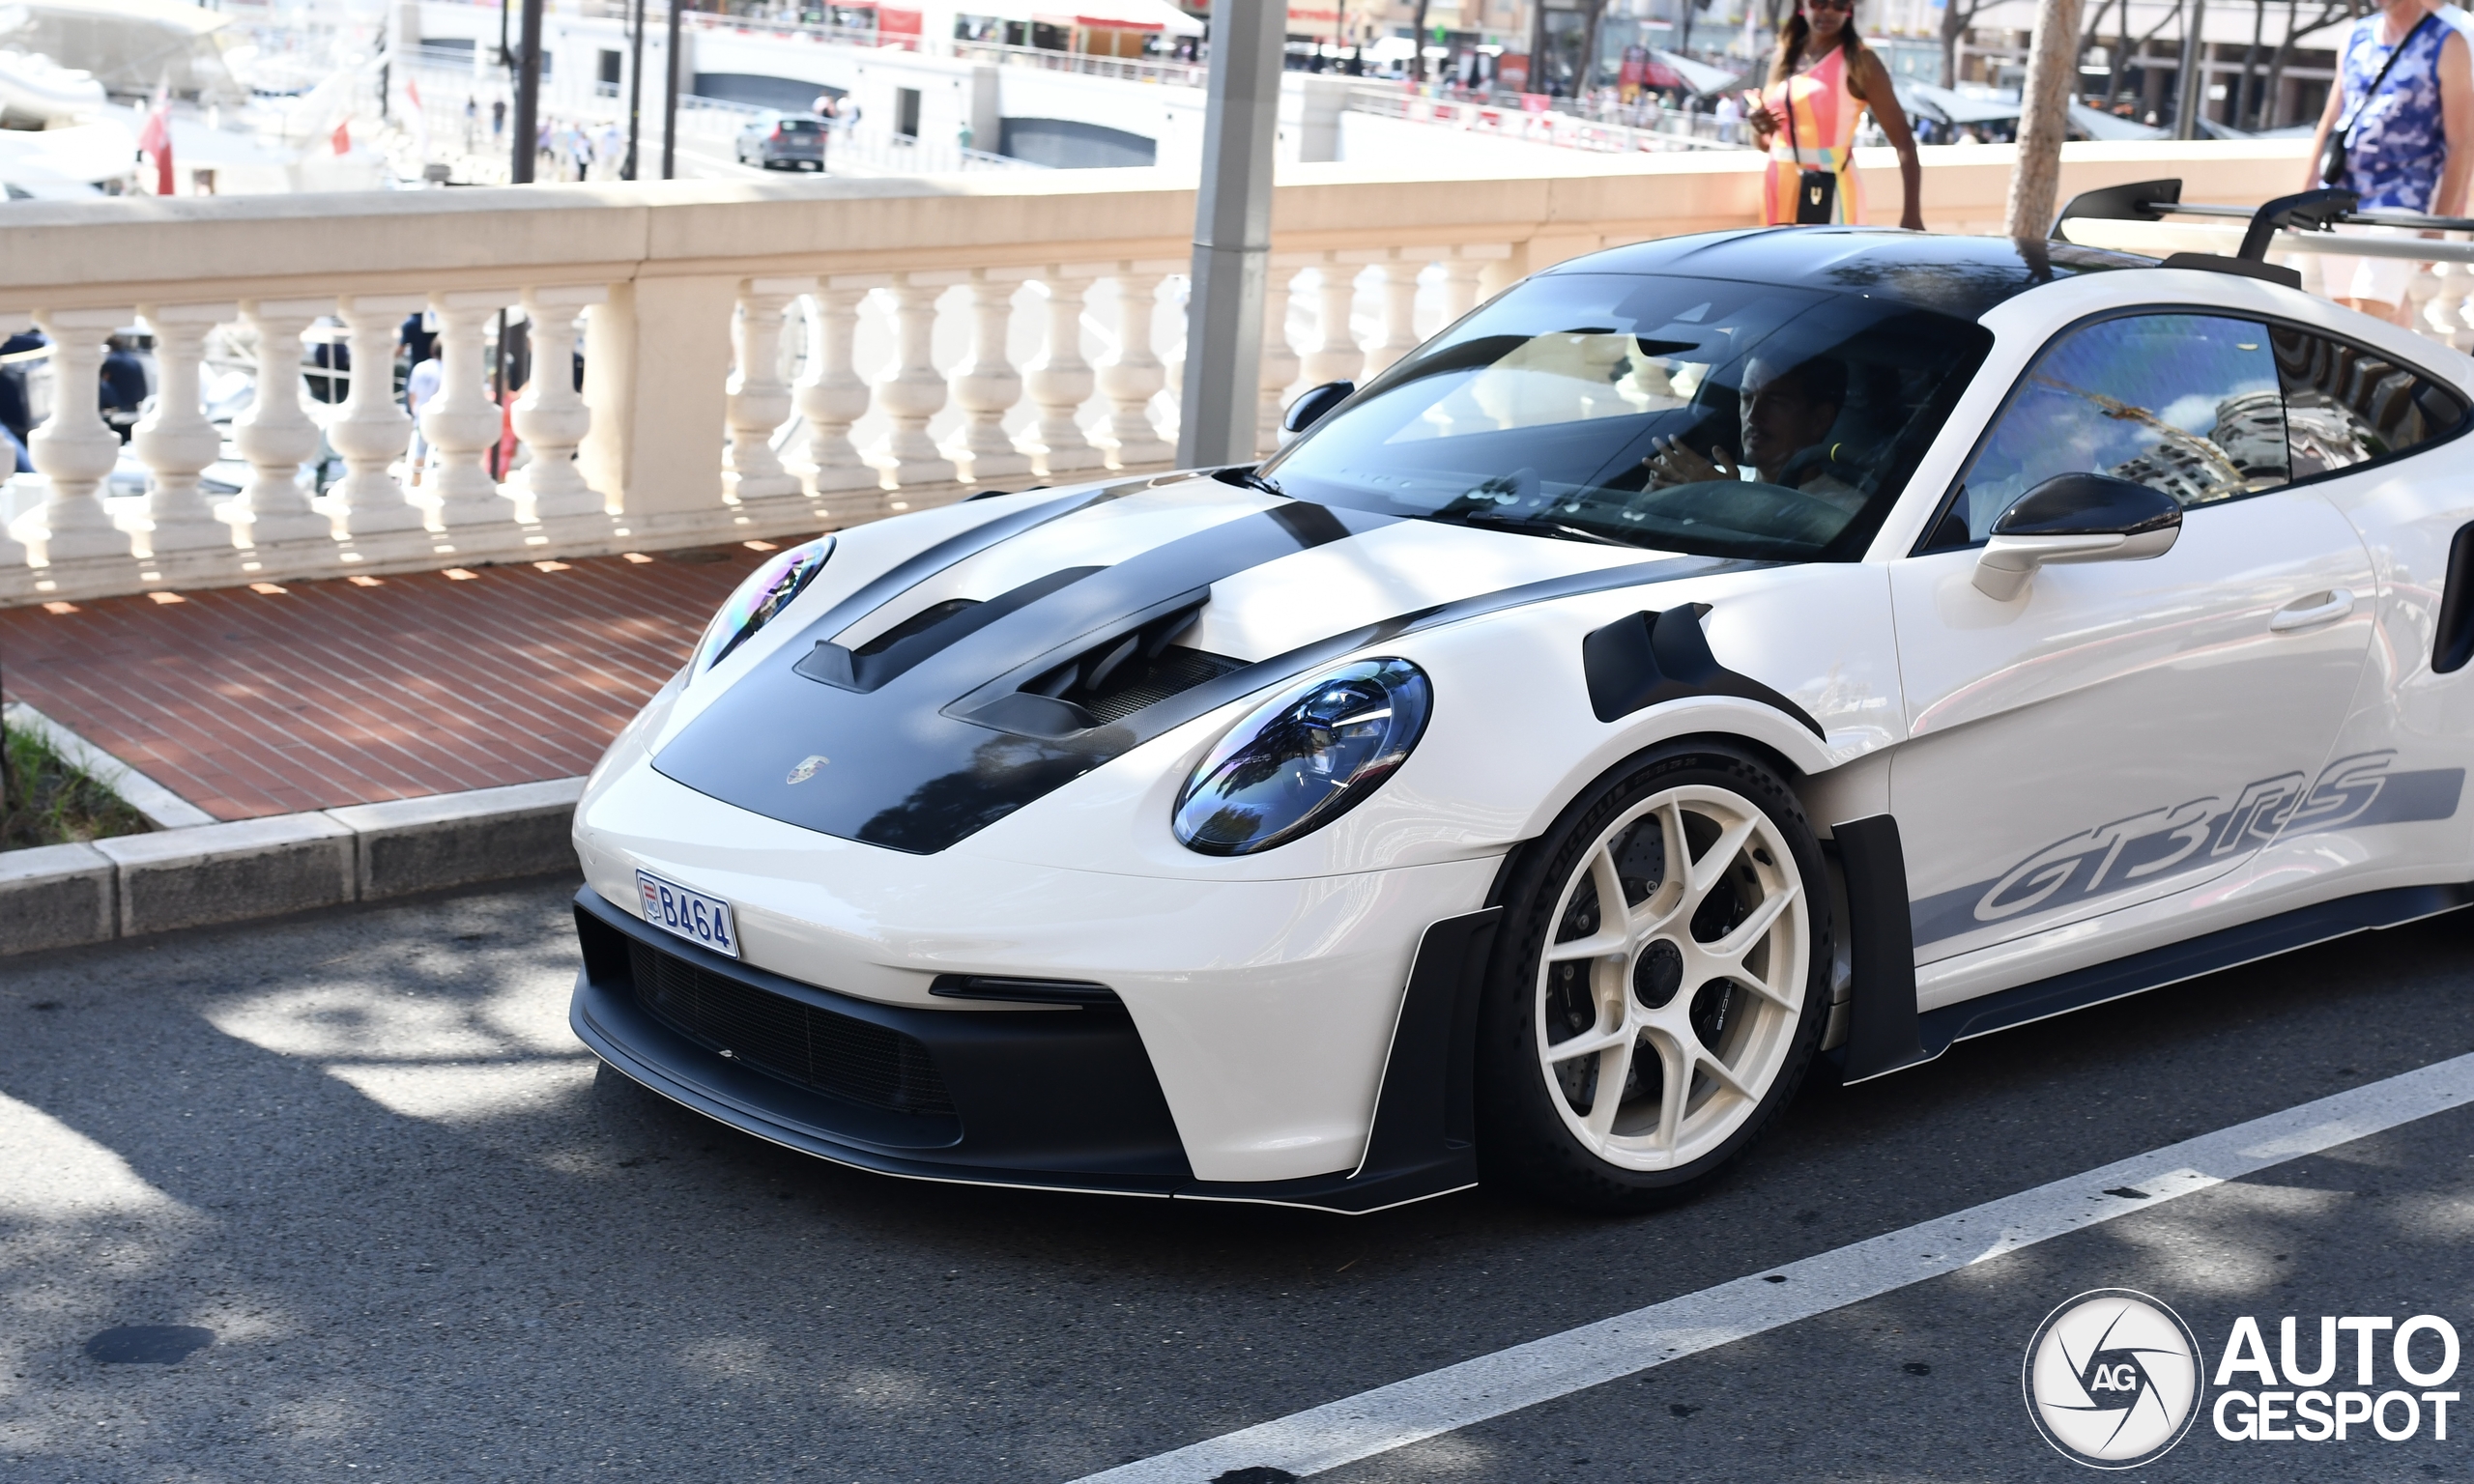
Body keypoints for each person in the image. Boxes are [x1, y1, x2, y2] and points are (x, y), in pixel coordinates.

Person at [2306, 0, 2474, 325]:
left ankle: (2356, 377)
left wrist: (2436, 225)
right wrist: (2306, 190)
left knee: (2370, 307)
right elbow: (2331, 119)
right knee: (2352, 308)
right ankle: (2406, 376)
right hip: (2340, 192)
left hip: (2403, 196)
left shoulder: (2448, 42)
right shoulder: (2356, 35)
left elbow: (2461, 143)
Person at [1747, 0, 1922, 229]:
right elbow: (1766, 144)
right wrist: (1758, 127)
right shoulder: (1784, 56)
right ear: (1802, 5)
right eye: (1818, 3)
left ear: (1849, 9)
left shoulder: (1861, 61)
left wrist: (1911, 215)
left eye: (1839, 4)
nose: (1828, 11)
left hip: (1832, 188)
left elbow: (1904, 141)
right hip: (1779, 186)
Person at [1639, 356, 1859, 507]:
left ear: (1820, 419)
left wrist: (1728, 501)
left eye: (1774, 402)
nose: (1752, 417)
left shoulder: (1844, 508)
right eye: (1747, 398)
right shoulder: (1709, 479)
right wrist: (1649, 497)